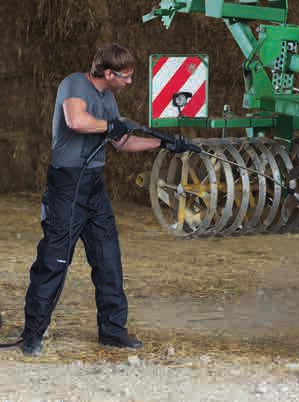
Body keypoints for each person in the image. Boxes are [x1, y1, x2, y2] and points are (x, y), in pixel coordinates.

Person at [21, 43, 193, 356]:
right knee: (54, 261)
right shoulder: (75, 84)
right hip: (67, 186)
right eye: (125, 77)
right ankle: (32, 334)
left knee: (108, 260)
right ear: (109, 72)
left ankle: (112, 331)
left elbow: (122, 142)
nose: (129, 82)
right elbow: (76, 120)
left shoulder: (109, 98)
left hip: (94, 187)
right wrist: (110, 125)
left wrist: (162, 143)